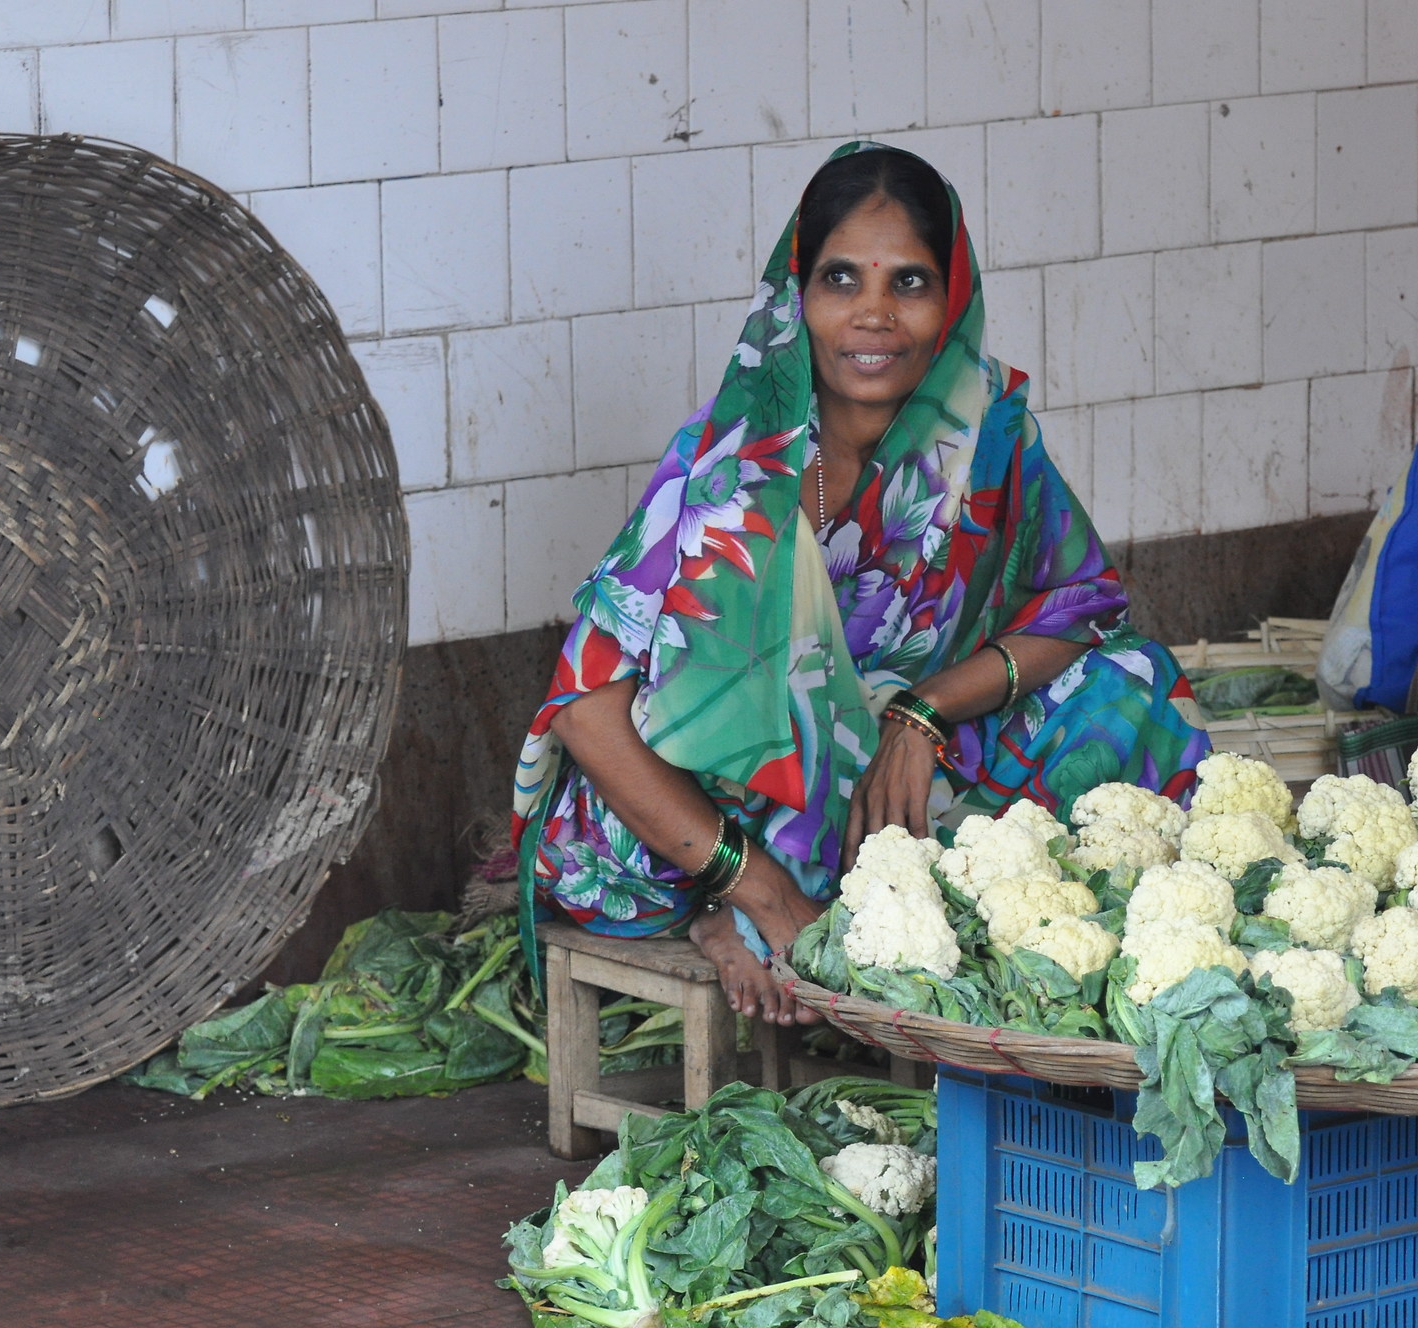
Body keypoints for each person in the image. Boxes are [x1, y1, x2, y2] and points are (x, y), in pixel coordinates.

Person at [510, 143, 1209, 1025]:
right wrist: (758, 886)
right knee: (754, 688)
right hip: (710, 814)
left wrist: (924, 714)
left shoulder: (983, 435)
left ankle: (937, 910)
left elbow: (1080, 609)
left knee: (1128, 684)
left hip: (883, 781)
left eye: (908, 284)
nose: (873, 315)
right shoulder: (731, 463)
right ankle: (741, 915)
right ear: (797, 299)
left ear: (950, 297)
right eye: (842, 280)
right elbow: (586, 712)